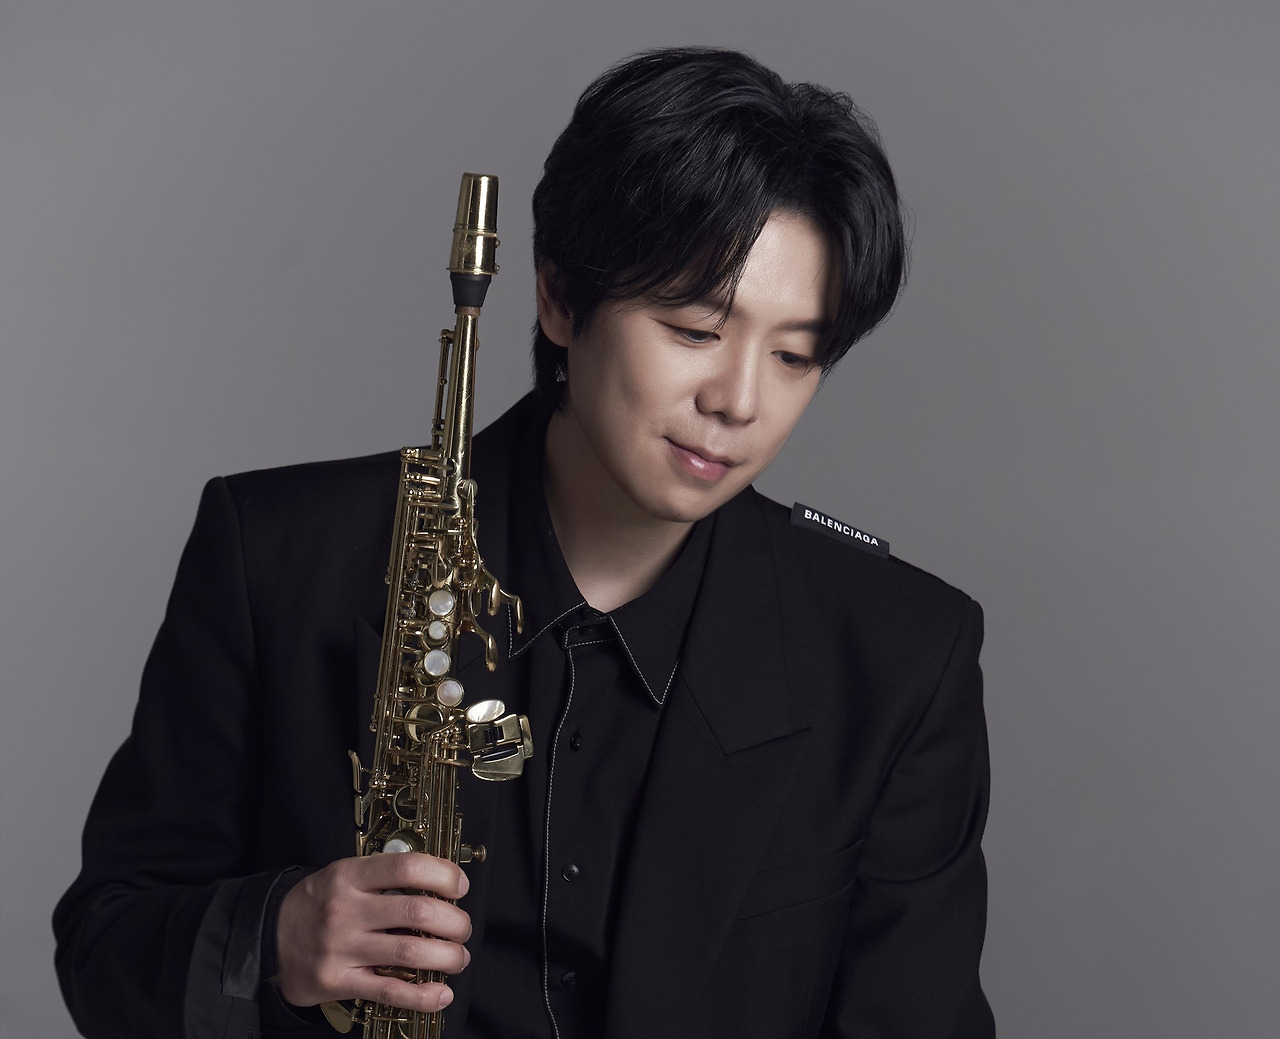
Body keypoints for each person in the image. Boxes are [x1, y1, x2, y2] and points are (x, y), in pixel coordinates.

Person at [54, 47, 994, 1039]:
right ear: (558, 300)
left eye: (795, 355)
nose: (740, 401)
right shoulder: (277, 559)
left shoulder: (899, 655)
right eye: (693, 328)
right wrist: (273, 935)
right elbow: (107, 942)